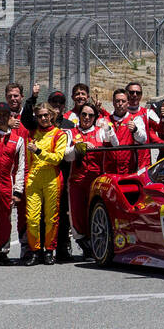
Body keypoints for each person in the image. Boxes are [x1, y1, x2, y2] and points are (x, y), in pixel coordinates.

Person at [66, 103, 116, 260]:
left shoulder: (100, 131)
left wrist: (107, 127)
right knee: (77, 214)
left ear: (95, 117)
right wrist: (78, 148)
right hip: (76, 180)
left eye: (90, 115)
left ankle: (98, 244)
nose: (87, 118)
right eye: (84, 114)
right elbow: (66, 155)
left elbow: (115, 144)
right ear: (79, 115)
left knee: (94, 214)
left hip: (96, 181)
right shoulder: (71, 132)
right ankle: (84, 244)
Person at [23, 102, 70, 265]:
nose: (43, 118)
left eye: (45, 115)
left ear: (52, 115)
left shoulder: (59, 134)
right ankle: (35, 251)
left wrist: (38, 151)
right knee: (32, 217)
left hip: (52, 178)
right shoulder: (31, 133)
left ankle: (50, 250)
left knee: (51, 218)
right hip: (33, 178)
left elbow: (57, 158)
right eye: (40, 116)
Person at [0, 102, 26, 266]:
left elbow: (20, 168)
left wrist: (18, 191)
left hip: (6, 183)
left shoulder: (17, 140)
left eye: (6, 114)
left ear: (11, 117)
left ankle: (2, 252)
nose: (2, 117)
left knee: (4, 219)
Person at [124, 81, 161, 170]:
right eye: (131, 92)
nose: (135, 95)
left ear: (141, 95)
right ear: (126, 94)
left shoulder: (148, 113)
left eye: (138, 93)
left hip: (143, 163)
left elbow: (161, 130)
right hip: (124, 163)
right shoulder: (117, 114)